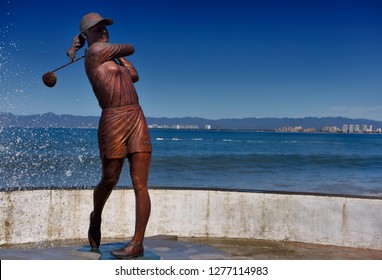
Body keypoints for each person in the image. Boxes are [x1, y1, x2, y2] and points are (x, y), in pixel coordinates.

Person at [66, 12, 152, 259]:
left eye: (105, 26)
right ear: (86, 35)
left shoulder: (109, 55)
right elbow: (131, 47)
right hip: (113, 119)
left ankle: (137, 243)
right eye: (97, 27)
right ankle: (96, 216)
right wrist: (113, 51)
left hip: (136, 115)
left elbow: (134, 75)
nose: (104, 29)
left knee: (140, 184)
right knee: (109, 179)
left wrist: (116, 54)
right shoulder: (94, 53)